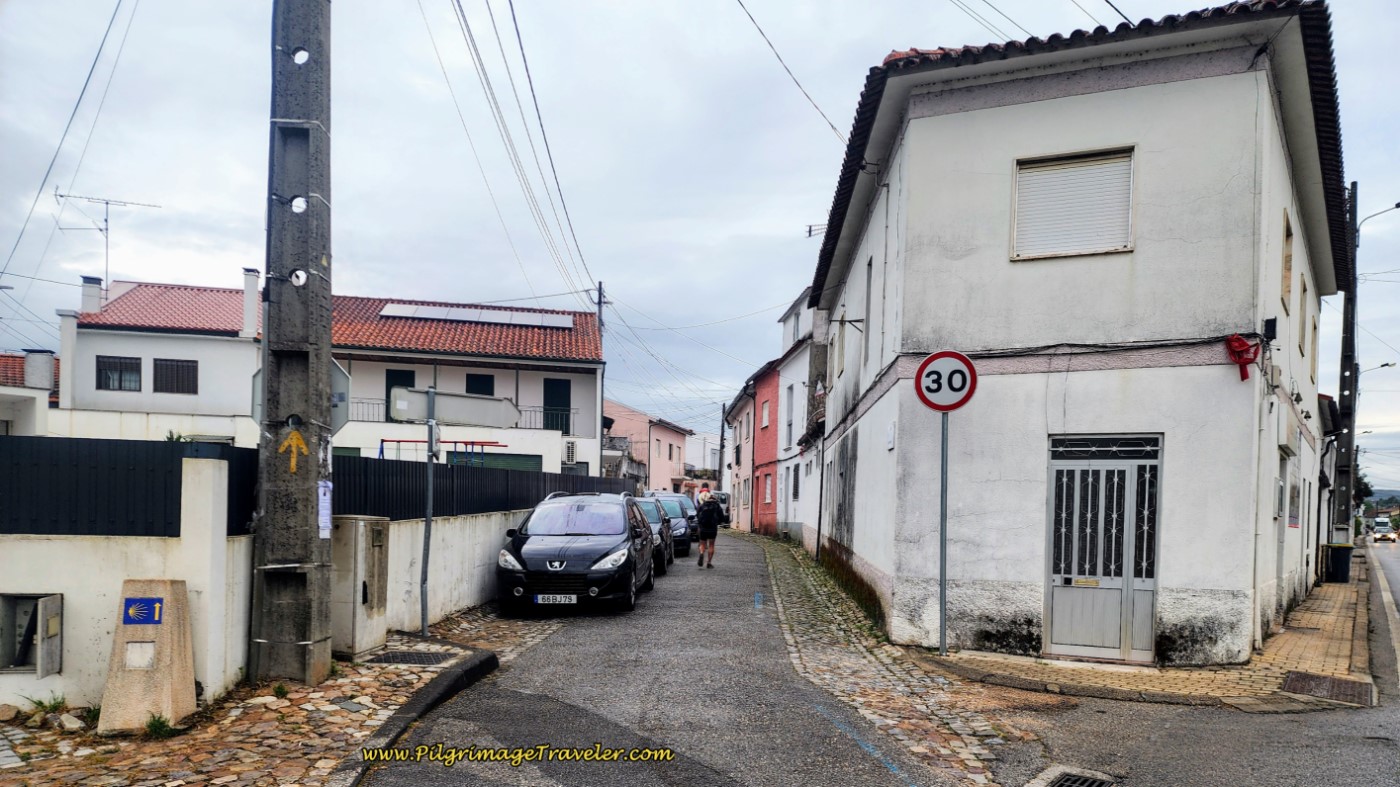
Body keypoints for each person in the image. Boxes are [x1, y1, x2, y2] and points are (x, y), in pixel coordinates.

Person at [695, 491, 725, 568]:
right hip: (712, 529)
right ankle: (709, 563)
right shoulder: (717, 506)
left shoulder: (702, 505)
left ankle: (701, 553)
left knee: (702, 544)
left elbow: (698, 516)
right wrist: (719, 522)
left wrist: (699, 525)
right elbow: (722, 517)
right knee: (711, 545)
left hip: (703, 528)